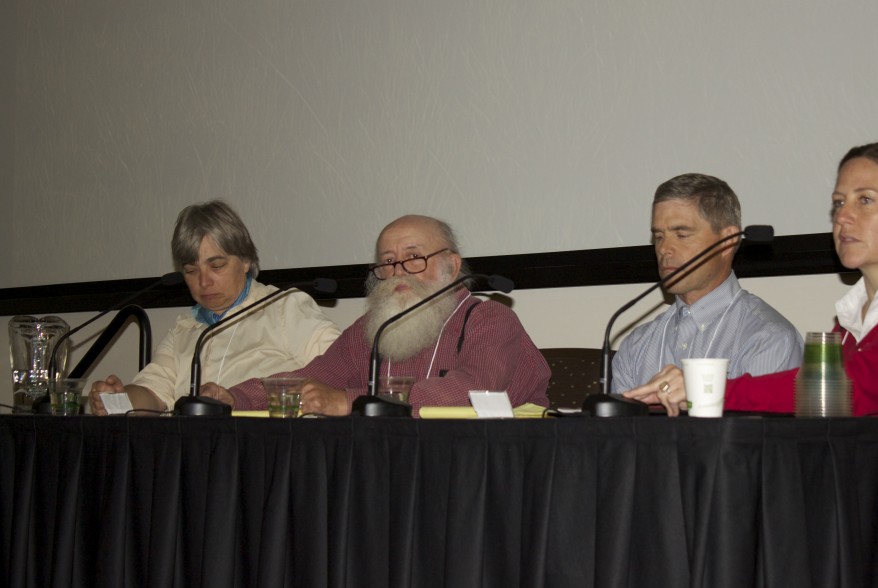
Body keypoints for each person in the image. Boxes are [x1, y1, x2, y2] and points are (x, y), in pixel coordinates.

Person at [625, 143, 878, 588]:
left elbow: (852, 390)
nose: (843, 217)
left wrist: (706, 388)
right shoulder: (850, 324)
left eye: (864, 200)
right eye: (838, 203)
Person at [212, 214, 551, 416]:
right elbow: (316, 376)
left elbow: (472, 391)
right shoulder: (371, 330)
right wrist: (235, 397)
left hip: (482, 470)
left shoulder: (489, 319)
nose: (399, 271)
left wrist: (350, 402)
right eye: (388, 261)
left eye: (414, 256)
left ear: (452, 264)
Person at [88, 200, 341, 414]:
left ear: (245, 260)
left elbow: (344, 367)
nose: (204, 281)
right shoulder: (184, 329)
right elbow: (153, 393)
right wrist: (115, 400)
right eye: (190, 270)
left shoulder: (284, 308)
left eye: (216, 266)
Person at [612, 173, 803, 393]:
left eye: (681, 234)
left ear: (728, 240)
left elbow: (757, 428)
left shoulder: (769, 340)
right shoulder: (636, 346)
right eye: (659, 237)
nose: (664, 249)